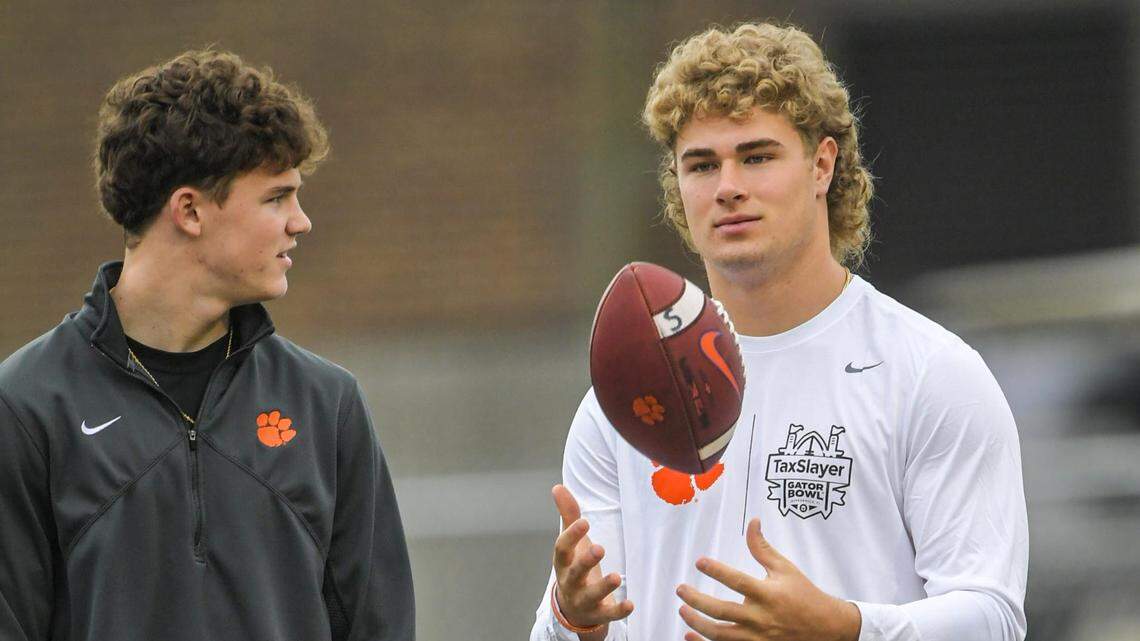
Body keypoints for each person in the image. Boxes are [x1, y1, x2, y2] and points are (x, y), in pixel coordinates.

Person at [531, 22, 1027, 641]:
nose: (729, 187)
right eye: (702, 164)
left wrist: (844, 629)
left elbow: (993, 618)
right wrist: (570, 619)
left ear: (822, 165)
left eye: (758, 156)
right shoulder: (625, 402)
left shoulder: (928, 373)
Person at [0, 50, 414, 640]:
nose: (301, 222)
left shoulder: (328, 405)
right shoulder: (25, 408)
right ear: (189, 210)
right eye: (276, 198)